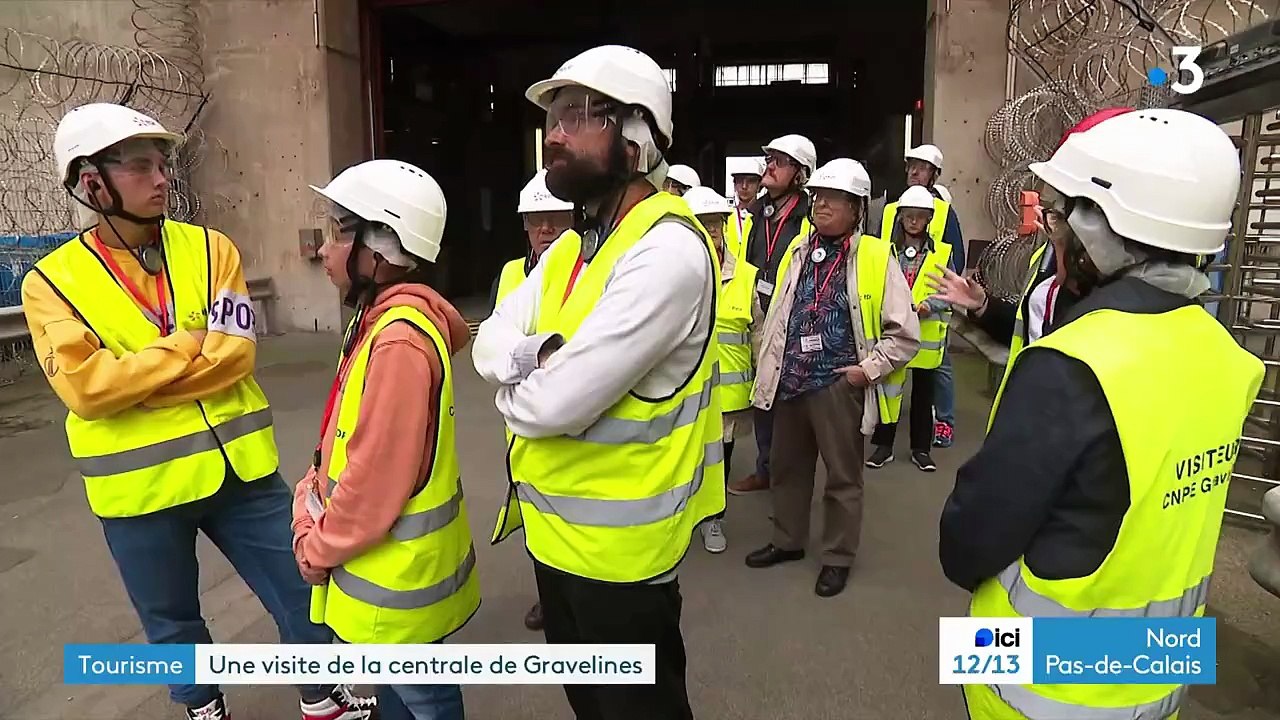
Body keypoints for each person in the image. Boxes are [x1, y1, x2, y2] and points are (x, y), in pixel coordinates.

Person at [22, 102, 376, 720]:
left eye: (163, 165)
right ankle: (201, 705)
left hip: (239, 470)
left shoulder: (214, 251)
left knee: (303, 590)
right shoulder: (50, 283)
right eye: (140, 167)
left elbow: (235, 356)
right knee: (170, 622)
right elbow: (85, 390)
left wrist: (135, 374)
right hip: (139, 491)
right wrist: (188, 343)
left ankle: (325, 694)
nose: (162, 179)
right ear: (89, 181)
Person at [939, 108, 1263, 719]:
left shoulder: (1073, 365)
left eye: (1061, 219)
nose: (1054, 235)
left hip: (1041, 686)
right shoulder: (1230, 358)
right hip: (1162, 670)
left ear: (1105, 230)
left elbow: (967, 545)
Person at [473, 44, 723, 720]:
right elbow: (487, 343)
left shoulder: (666, 252)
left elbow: (551, 403)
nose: (554, 132)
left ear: (638, 136)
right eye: (552, 116)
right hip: (551, 544)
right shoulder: (571, 249)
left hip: (622, 564)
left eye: (580, 114)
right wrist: (534, 358)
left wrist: (516, 386)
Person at [296, 159, 480, 720]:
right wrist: (313, 477)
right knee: (402, 697)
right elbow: (351, 432)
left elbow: (377, 478)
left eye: (337, 235)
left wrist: (317, 547)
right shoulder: (378, 320)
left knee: (425, 700)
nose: (324, 252)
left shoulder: (398, 341)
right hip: (384, 574)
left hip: (391, 582)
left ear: (379, 249)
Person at [745, 158, 919, 598]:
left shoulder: (878, 256)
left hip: (838, 386)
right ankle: (787, 541)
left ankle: (837, 558)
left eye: (834, 200)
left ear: (857, 208)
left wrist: (867, 372)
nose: (822, 206)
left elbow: (905, 334)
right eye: (818, 197)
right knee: (787, 469)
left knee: (842, 478)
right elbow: (780, 312)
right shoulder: (800, 250)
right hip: (791, 382)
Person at [928, 109, 1137, 422]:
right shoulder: (1050, 257)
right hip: (1030, 407)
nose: (1043, 213)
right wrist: (982, 305)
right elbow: (1029, 328)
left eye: (1058, 206)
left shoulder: (1118, 290)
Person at [491, 168, 576, 632]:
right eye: (536, 220)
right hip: (520, 422)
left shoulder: (586, 272)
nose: (545, 229)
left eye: (556, 219)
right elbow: (492, 342)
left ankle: (569, 598)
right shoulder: (509, 275)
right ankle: (548, 596)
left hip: (566, 417)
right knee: (534, 519)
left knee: (569, 517)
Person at [732, 134, 816, 496]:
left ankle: (791, 477)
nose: (769, 167)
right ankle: (765, 470)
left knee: (794, 403)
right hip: (759, 312)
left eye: (779, 162)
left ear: (799, 174)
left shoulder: (810, 217)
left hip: (795, 317)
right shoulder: (757, 213)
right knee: (764, 394)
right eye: (769, 159)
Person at [684, 185, 763, 554]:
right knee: (685, 457)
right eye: (702, 226)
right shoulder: (673, 275)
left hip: (727, 395)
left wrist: (765, 379)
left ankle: (713, 518)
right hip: (683, 391)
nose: (712, 233)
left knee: (721, 458)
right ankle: (683, 515)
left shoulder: (746, 275)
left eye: (716, 225)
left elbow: (760, 333)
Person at [867, 186, 952, 473]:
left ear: (929, 219)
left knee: (923, 396)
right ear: (900, 217)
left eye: (919, 217)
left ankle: (921, 450)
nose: (913, 222)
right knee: (888, 391)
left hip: (925, 337)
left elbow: (948, 291)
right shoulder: (886, 252)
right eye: (908, 216)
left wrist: (930, 305)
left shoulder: (941, 253)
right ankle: (884, 446)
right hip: (894, 333)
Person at [896, 144, 964, 449]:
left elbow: (955, 255)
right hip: (898, 301)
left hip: (931, 305)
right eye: (911, 165)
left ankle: (944, 421)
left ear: (934, 174)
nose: (913, 171)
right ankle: (889, 425)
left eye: (921, 168)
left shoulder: (944, 211)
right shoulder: (895, 208)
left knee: (939, 364)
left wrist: (943, 295)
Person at [724, 156, 763, 260]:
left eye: (751, 181)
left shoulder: (765, 218)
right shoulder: (725, 216)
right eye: (740, 181)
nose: (744, 186)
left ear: (760, 185)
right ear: (734, 184)